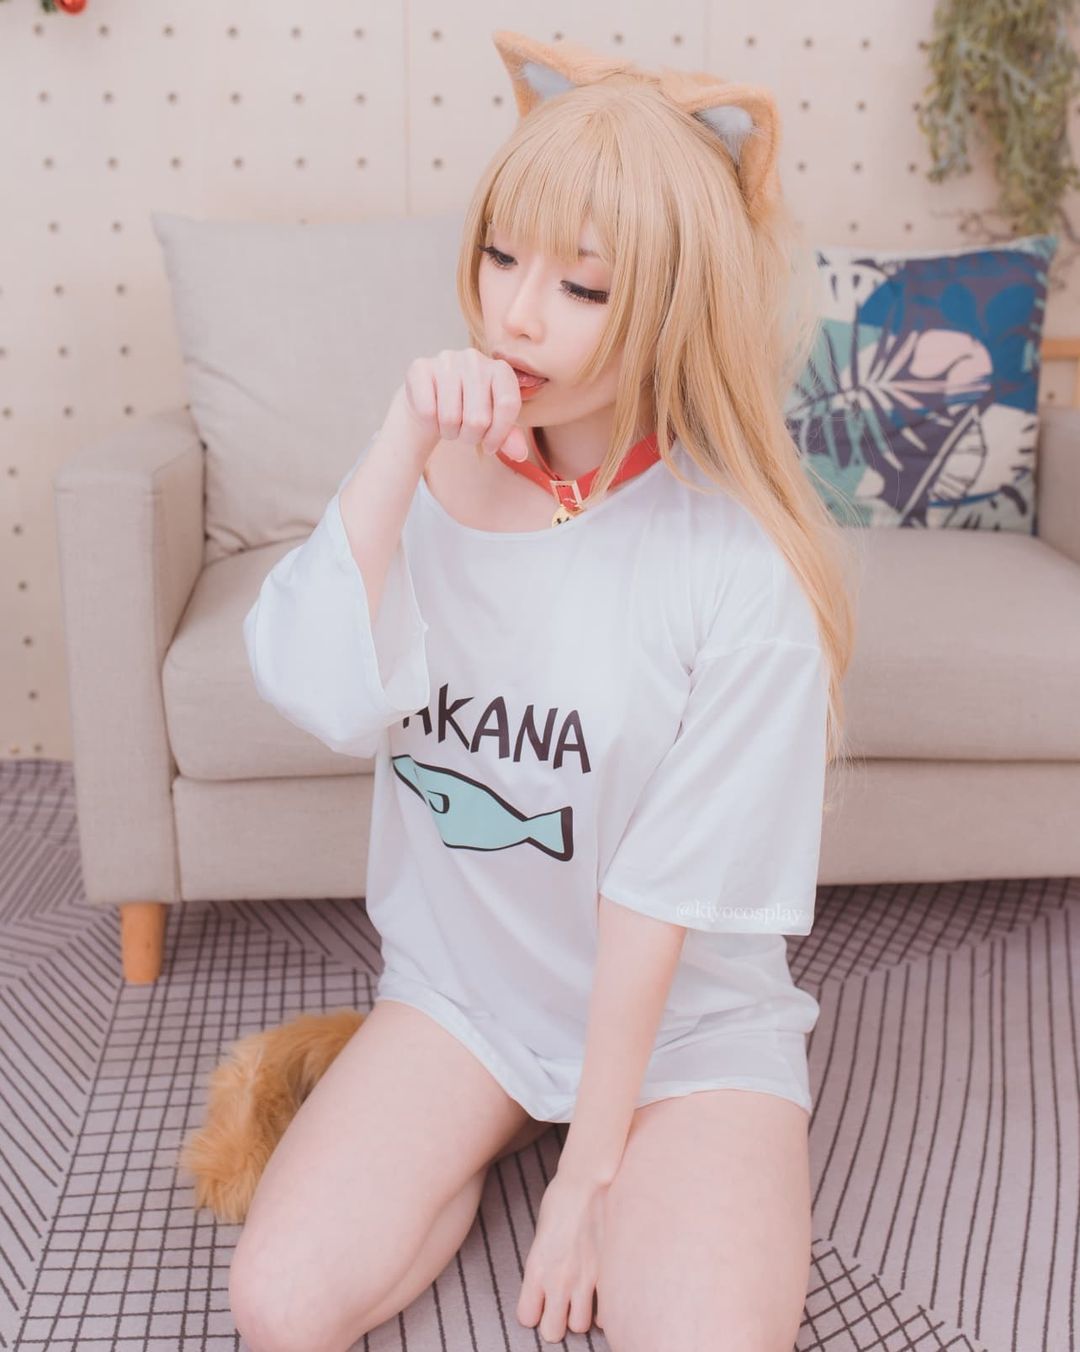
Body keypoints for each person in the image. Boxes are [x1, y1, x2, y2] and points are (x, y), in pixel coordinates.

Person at [228, 26, 860, 1352]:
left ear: (673, 305)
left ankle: (544, 1135)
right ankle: (482, 1114)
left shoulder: (736, 568)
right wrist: (402, 441)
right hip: (463, 993)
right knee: (280, 1307)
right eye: (500, 258)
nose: (516, 315)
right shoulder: (432, 471)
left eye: (581, 285)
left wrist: (589, 1174)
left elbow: (656, 898)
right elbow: (315, 688)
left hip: (682, 1027)